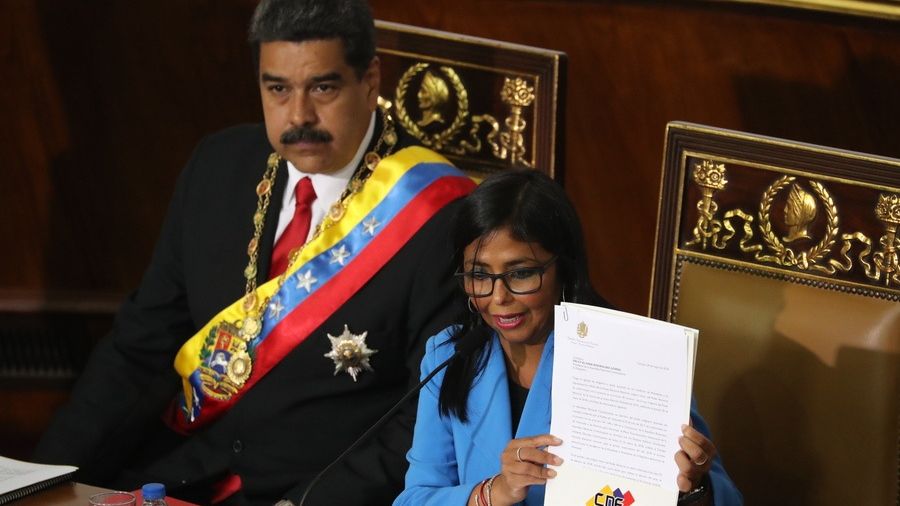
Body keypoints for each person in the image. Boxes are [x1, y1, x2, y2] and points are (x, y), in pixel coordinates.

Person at [33, 1, 474, 505]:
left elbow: (425, 418)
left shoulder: (440, 215)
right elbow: (140, 347)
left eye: (323, 88)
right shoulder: (218, 167)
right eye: (278, 89)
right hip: (180, 477)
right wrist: (40, 478)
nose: (299, 116)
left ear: (370, 80)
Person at [394, 170, 743, 505]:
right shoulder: (449, 356)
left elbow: (723, 498)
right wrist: (493, 493)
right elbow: (415, 498)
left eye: (521, 273)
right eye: (480, 275)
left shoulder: (635, 354)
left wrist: (693, 489)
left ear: (563, 268)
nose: (498, 297)